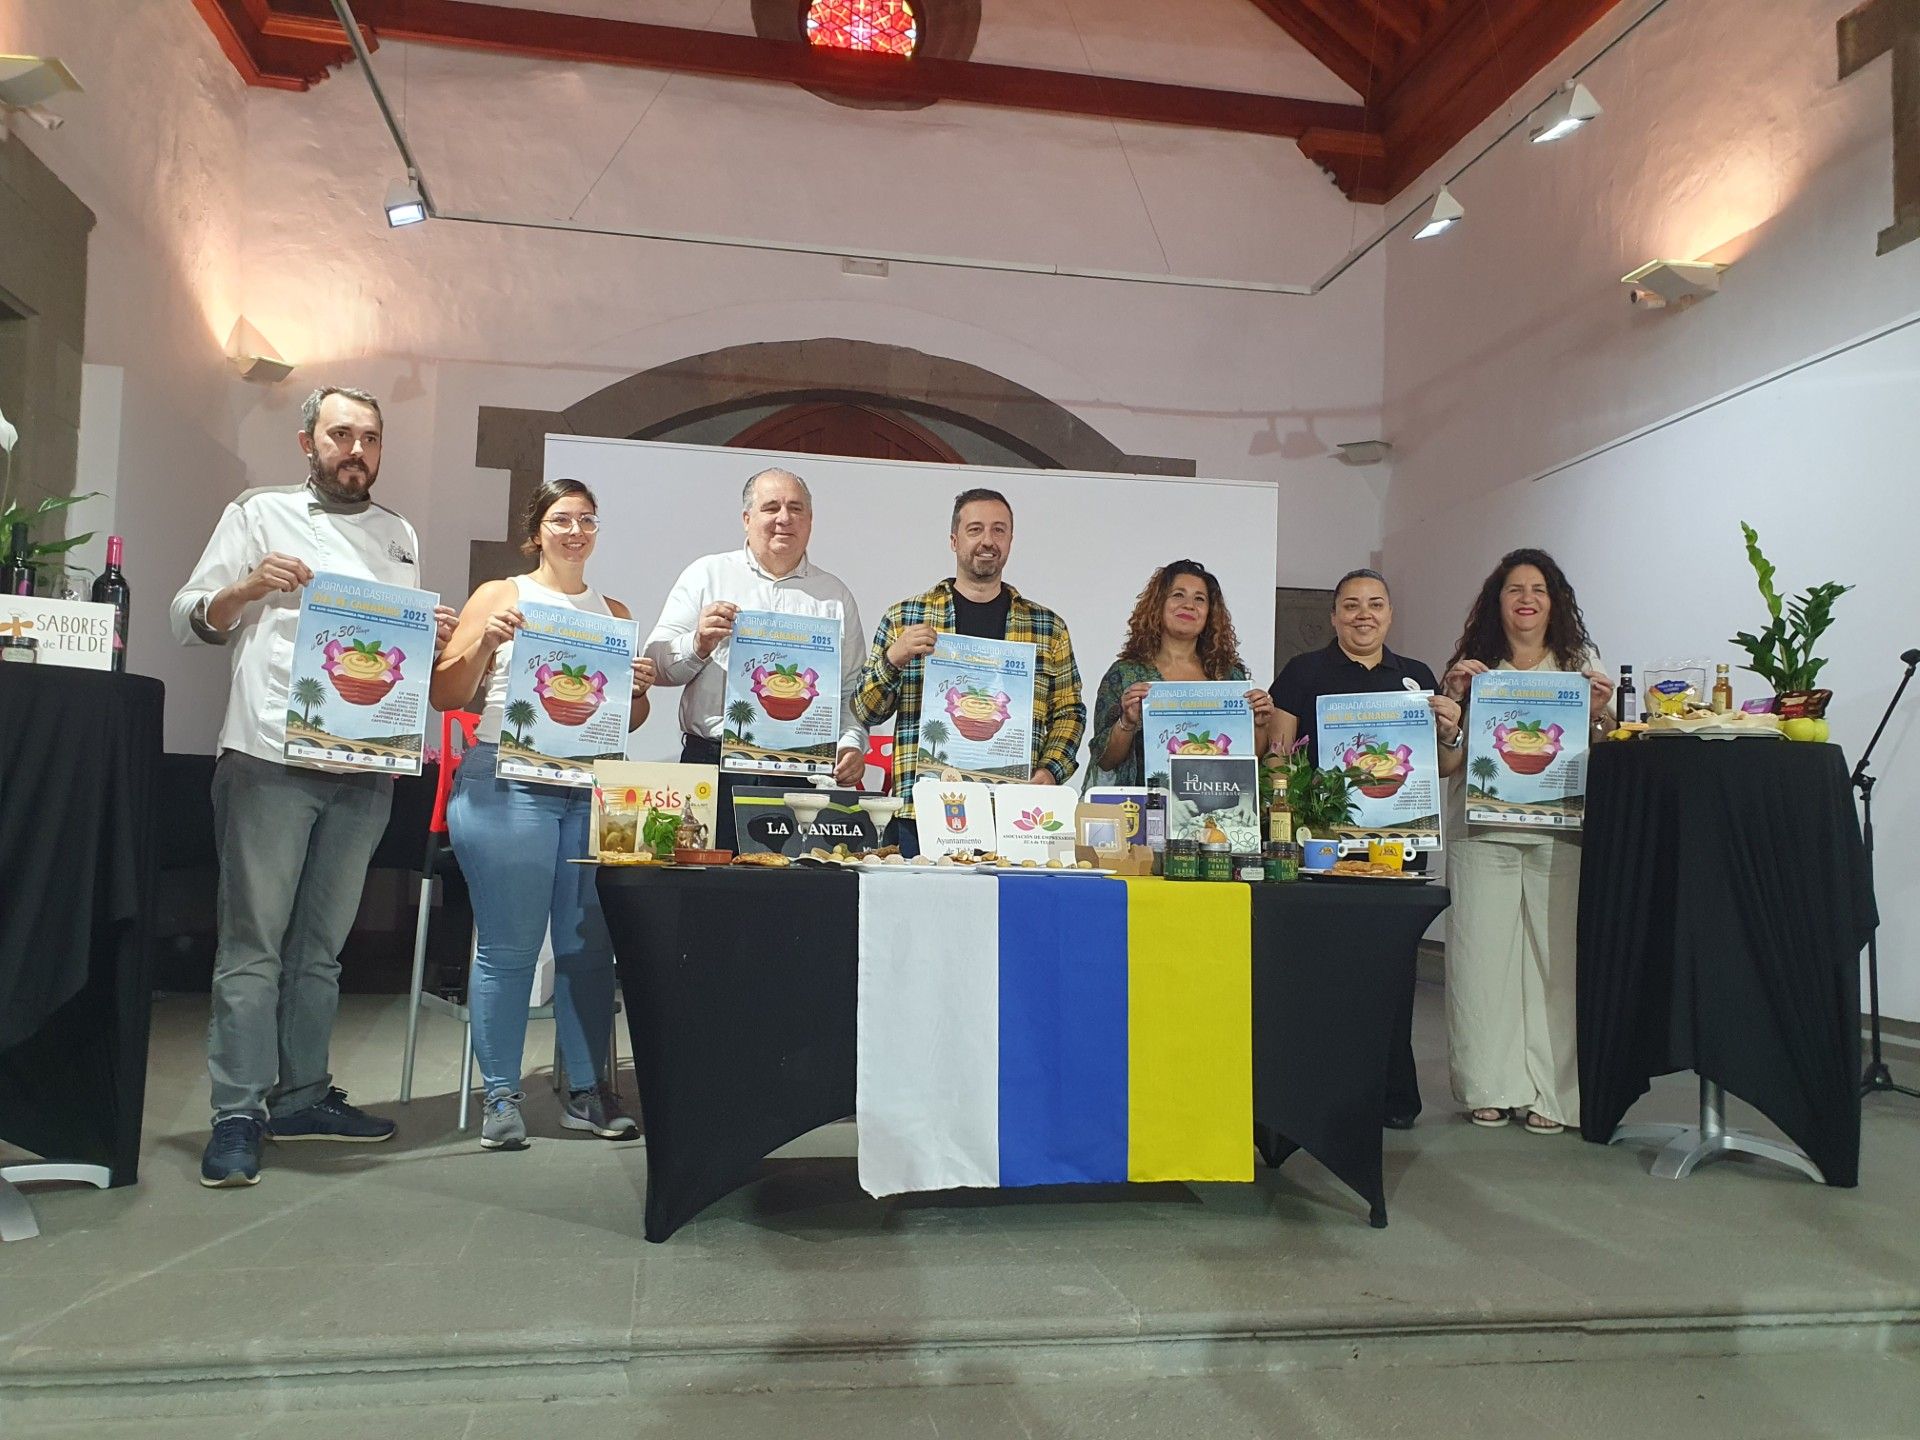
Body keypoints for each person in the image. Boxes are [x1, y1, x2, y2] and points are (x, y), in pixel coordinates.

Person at [170, 385, 457, 1188]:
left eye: (369, 437)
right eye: (340, 434)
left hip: (364, 770)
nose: (355, 450)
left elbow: (388, 655)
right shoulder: (257, 513)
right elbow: (190, 615)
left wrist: (428, 634)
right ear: (308, 444)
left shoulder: (398, 535)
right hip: (269, 758)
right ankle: (236, 1112)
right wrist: (250, 587)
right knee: (253, 947)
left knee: (321, 951)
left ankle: (300, 1096)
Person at [429, 478, 653, 1151]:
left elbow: (625, 722)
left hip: (586, 787)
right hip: (505, 779)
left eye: (587, 519)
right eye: (561, 520)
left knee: (590, 950)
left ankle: (585, 1092)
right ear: (536, 531)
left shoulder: (612, 611)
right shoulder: (501, 594)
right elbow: (446, 693)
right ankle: (500, 1096)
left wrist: (635, 692)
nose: (576, 531)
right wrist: (483, 645)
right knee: (510, 946)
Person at [1267, 568, 1462, 1129]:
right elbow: (1279, 757)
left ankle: (1393, 1096)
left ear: (1390, 614)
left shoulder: (1418, 678)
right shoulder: (1305, 672)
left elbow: (1444, 767)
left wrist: (1449, 730)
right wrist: (1297, 815)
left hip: (1400, 850)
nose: (1362, 614)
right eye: (1350, 605)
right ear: (1333, 617)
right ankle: (1324, 1092)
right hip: (1326, 850)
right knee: (1327, 975)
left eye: (1374, 604)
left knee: (1393, 973)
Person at [1436, 549, 1614, 1136]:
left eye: (1538, 589)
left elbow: (1604, 752)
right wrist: (1456, 708)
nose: (1527, 599)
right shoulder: (1472, 669)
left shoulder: (1579, 668)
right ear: (1498, 601)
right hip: (1482, 830)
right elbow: (1447, 763)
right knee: (1480, 961)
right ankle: (1489, 1085)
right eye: (1515, 589)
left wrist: (1599, 715)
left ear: (1554, 601)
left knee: (1558, 965)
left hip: (1562, 832)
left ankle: (1556, 1094)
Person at [643, 468, 866, 851]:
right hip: (713, 768)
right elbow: (655, 665)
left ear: (810, 522)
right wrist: (698, 643)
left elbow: (850, 690)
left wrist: (850, 744)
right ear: (747, 519)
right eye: (771, 507)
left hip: (800, 778)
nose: (784, 518)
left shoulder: (834, 596)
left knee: (785, 902)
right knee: (706, 896)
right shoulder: (707, 575)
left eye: (796, 508)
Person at [855, 488, 1085, 850]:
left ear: (1010, 539)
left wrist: (1050, 771)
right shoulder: (904, 617)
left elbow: (1069, 712)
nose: (988, 541)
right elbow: (867, 711)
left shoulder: (1048, 627)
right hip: (923, 811)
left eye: (999, 530)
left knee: (1010, 908)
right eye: (975, 529)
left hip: (1014, 814)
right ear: (954, 540)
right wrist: (893, 659)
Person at [1088, 559, 1274, 783]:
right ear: (1158, 605)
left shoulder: (1228, 676)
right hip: (1139, 811)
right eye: (1178, 595)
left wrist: (1260, 726)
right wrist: (1127, 722)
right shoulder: (1125, 674)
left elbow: (1250, 756)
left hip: (1217, 808)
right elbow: (1104, 760)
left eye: (1199, 599)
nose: (1189, 605)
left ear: (1209, 613)